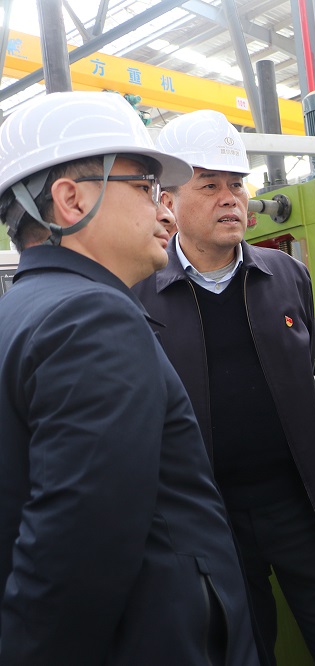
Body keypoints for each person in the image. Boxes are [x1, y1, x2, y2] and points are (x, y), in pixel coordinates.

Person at [0, 91, 258, 665]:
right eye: (144, 188)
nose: (165, 212)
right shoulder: (92, 318)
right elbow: (76, 549)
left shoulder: (23, 310)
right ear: (71, 200)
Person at [133, 110, 315, 666]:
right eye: (210, 185)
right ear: (168, 201)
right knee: (243, 654)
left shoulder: (286, 274)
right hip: (208, 521)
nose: (230, 199)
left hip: (305, 508)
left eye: (237, 185)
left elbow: (301, 375)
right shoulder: (140, 295)